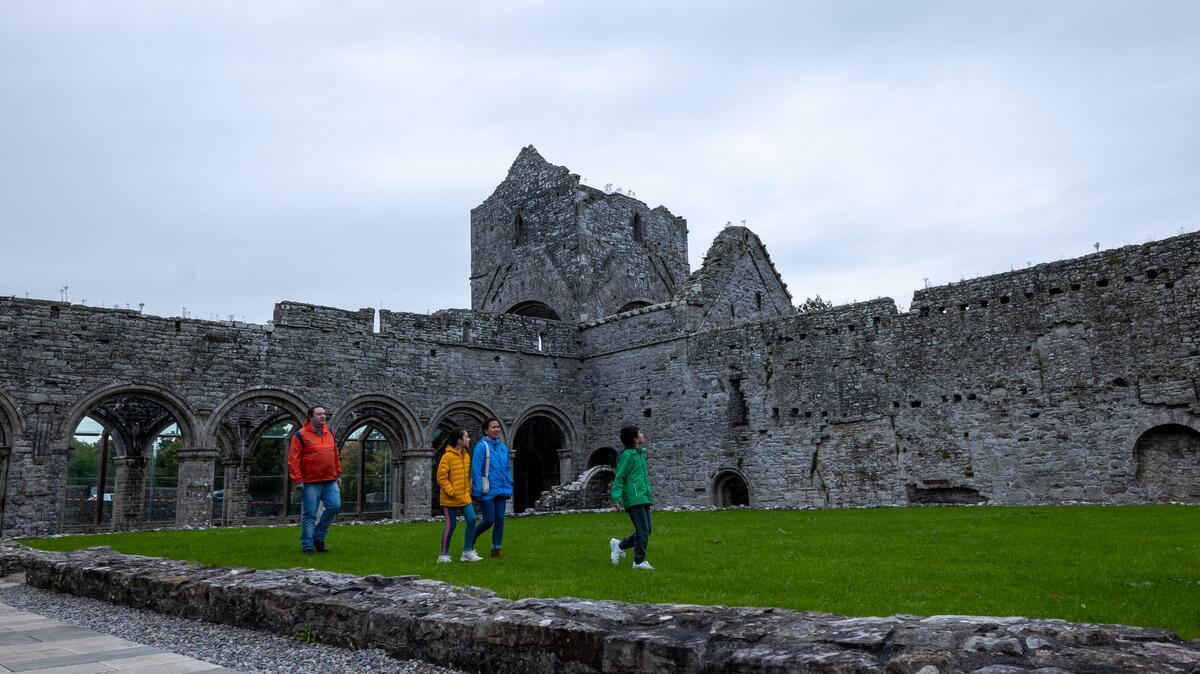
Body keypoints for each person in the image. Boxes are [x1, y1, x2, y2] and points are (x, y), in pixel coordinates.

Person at [288, 405, 341, 555]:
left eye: (324, 414)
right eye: (319, 414)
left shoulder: (329, 433)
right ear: (310, 417)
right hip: (310, 482)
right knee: (310, 514)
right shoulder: (300, 435)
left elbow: (335, 454)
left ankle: (318, 536)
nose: (323, 416)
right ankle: (308, 546)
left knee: (334, 507)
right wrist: (298, 480)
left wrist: (338, 474)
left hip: (330, 480)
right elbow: (293, 459)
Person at [609, 424, 654, 569]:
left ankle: (619, 545)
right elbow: (619, 477)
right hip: (634, 497)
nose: (642, 434)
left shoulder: (639, 453)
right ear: (635, 439)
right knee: (643, 530)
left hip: (643, 495)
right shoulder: (627, 456)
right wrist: (616, 497)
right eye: (640, 433)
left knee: (647, 530)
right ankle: (639, 562)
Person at [436, 427, 481, 563]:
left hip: (464, 496)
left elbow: (465, 476)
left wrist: (468, 489)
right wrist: (451, 491)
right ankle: (443, 555)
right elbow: (441, 477)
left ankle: (467, 551)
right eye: (466, 437)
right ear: (459, 440)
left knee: (472, 519)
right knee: (451, 525)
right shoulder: (447, 456)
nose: (469, 439)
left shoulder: (466, 456)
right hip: (450, 498)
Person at [471, 417, 513, 558]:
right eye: (493, 427)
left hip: (501, 489)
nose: (497, 429)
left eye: (498, 427)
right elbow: (476, 469)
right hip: (487, 489)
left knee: (500, 520)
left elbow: (506, 468)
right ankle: (470, 541)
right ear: (486, 430)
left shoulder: (502, 447)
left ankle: (496, 550)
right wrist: (477, 490)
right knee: (489, 521)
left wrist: (509, 483)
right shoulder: (481, 446)